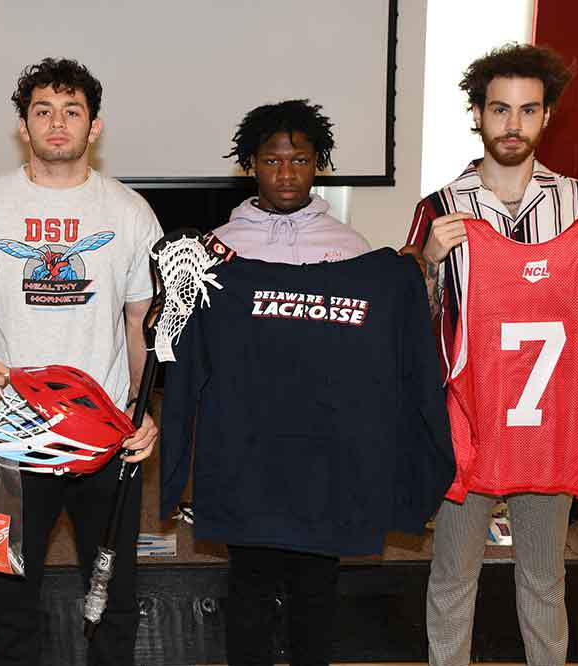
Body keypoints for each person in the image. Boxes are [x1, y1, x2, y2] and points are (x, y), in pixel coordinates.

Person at [406, 44, 578, 666]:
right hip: (470, 422)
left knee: (544, 578)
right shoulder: (438, 209)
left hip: (549, 421)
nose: (513, 124)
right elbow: (410, 322)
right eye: (500, 109)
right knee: (453, 579)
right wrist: (428, 262)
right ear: (477, 115)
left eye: (527, 111)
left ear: (546, 117)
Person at [0, 57, 161, 666]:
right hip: (8, 437)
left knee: (114, 595)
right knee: (8, 592)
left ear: (94, 127)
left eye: (71, 111)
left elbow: (141, 323)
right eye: (43, 111)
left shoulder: (130, 212)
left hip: (107, 437)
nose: (57, 123)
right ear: (23, 125)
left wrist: (142, 412)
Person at [211, 99, 369, 666]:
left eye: (299, 160)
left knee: (315, 584)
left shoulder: (352, 248)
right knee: (250, 581)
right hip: (248, 446)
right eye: (272, 161)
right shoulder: (218, 248)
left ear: (317, 164)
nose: (285, 173)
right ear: (250, 164)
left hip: (322, 447)